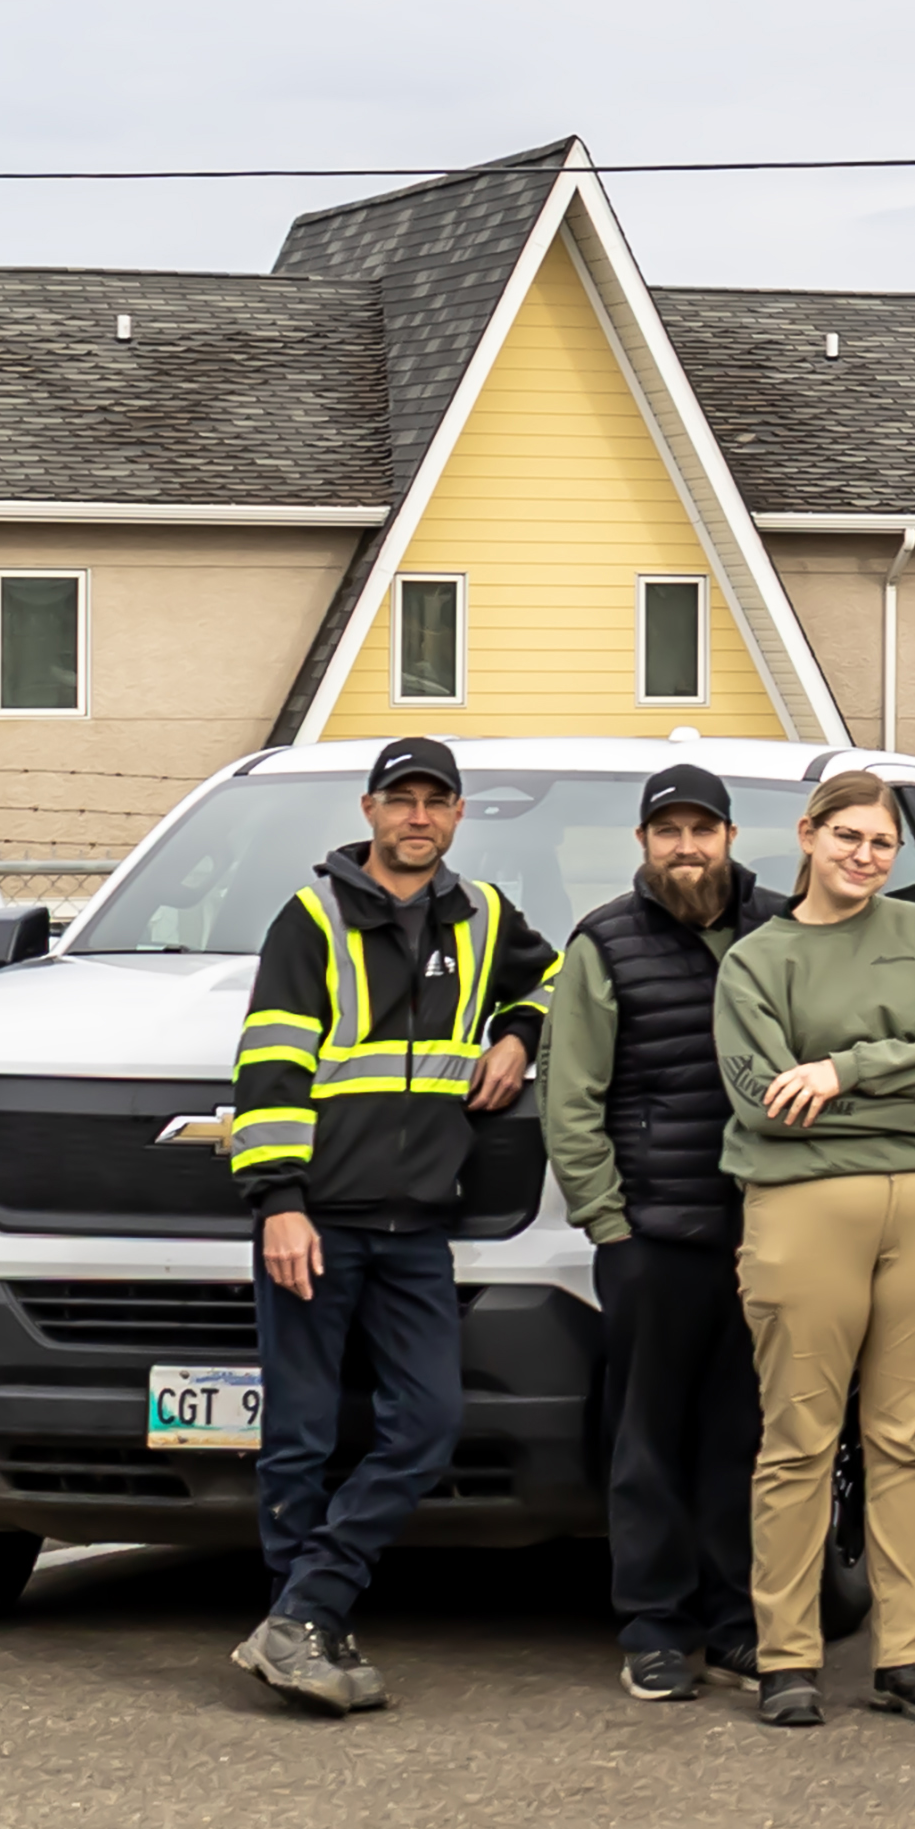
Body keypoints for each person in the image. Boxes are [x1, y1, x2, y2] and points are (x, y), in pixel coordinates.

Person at [223, 734, 559, 1713]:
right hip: (317, 1222)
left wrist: (519, 1029)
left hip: (417, 1226)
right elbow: (271, 1069)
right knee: (299, 1433)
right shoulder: (312, 919)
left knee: (427, 1424)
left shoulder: (485, 918)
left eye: (436, 801)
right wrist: (279, 1204)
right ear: (369, 811)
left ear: (457, 816)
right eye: (400, 800)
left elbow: (559, 979)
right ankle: (309, 1631)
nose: (418, 817)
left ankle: (300, 1614)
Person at [717, 770, 915, 1729]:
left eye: (881, 843)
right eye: (847, 836)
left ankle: (908, 1658)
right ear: (808, 835)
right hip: (801, 1208)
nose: (865, 856)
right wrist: (906, 1088)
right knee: (798, 1440)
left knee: (905, 1441)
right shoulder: (756, 961)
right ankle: (788, 1658)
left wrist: (842, 1071)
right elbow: (764, 1097)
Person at [542, 761, 787, 1703]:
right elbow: (574, 1101)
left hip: (768, 1227)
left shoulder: (781, 927)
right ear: (643, 844)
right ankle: (653, 1624)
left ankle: (736, 1622)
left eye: (703, 830)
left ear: (730, 837)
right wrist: (611, 1225)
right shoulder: (604, 942)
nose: (686, 848)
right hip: (654, 1233)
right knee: (645, 1439)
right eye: (667, 832)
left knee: (745, 1435)